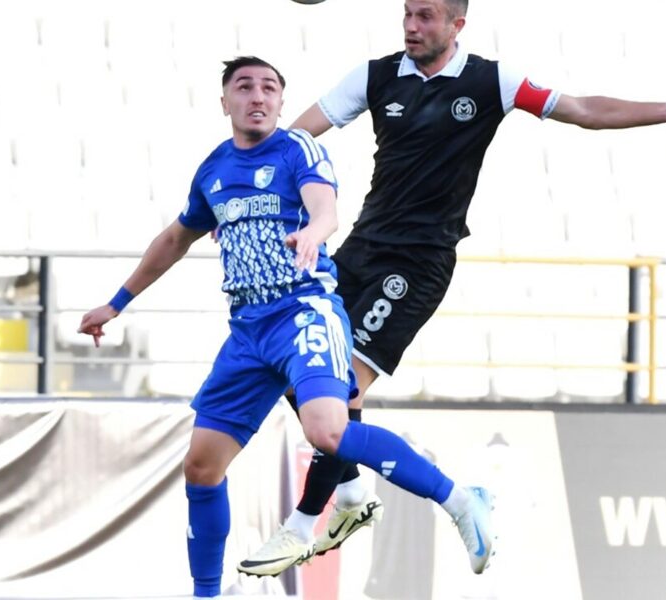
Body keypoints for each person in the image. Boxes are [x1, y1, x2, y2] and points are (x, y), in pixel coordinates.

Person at [245, 0, 666, 574]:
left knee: (339, 388)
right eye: (407, 13)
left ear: (457, 25)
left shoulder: (491, 81)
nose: (411, 26)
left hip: (417, 263)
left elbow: (582, 109)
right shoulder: (375, 76)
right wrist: (241, 187)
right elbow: (297, 139)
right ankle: (352, 493)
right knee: (296, 374)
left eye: (426, 16)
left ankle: (304, 523)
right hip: (358, 249)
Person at [77, 56, 496, 599]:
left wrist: (313, 234)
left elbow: (326, 210)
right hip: (247, 331)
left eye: (269, 88)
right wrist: (116, 303)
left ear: (280, 101)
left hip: (304, 312)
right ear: (224, 102)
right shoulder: (214, 170)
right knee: (201, 467)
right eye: (244, 87)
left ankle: (461, 500)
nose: (258, 96)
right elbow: (175, 239)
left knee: (327, 430)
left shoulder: (298, 148)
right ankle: (208, 594)